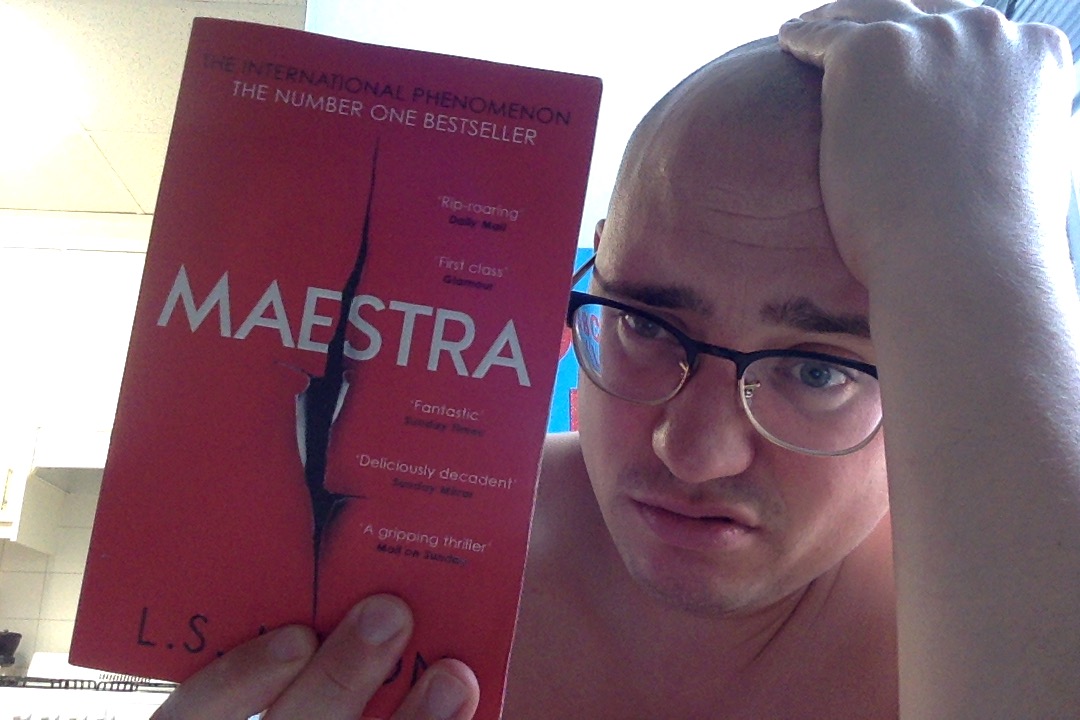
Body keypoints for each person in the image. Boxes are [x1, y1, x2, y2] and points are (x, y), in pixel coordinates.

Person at [151, 1, 1080, 718]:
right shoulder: (377, 547)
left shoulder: (995, 615)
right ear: (593, 270)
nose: (693, 451)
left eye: (816, 372)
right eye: (644, 324)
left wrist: (981, 244)